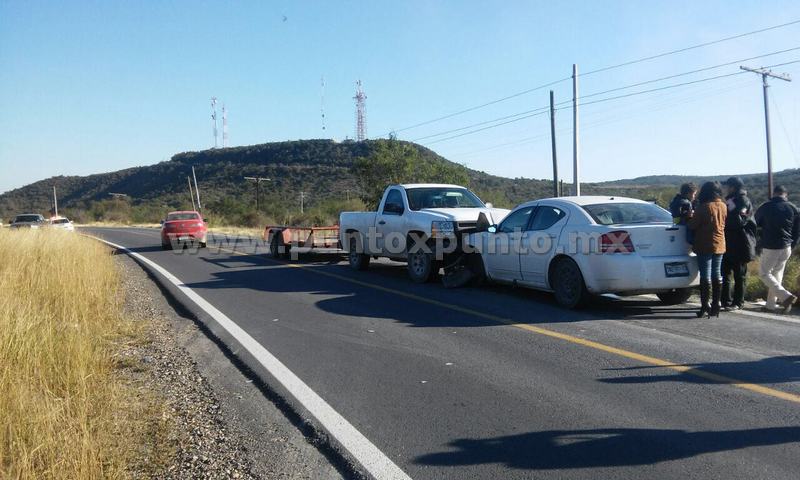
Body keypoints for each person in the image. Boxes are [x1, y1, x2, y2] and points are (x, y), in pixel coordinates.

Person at [755, 185, 800, 313]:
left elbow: (756, 223)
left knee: (764, 274)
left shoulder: (765, 207)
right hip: (787, 246)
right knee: (777, 274)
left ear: (774, 193)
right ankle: (770, 305)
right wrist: (792, 245)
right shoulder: (793, 208)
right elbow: (797, 230)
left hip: (770, 246)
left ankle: (786, 296)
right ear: (785, 195)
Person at [688, 181, 727, 318]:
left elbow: (692, 225)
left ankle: (705, 305)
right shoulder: (723, 206)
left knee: (705, 275)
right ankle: (717, 304)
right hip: (720, 243)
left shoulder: (703, 207)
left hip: (704, 244)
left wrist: (689, 216)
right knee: (717, 274)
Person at [721, 177, 756, 311]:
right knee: (725, 274)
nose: (725, 189)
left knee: (739, 275)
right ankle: (725, 301)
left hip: (741, 243)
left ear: (733, 187)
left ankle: (738, 302)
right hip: (728, 243)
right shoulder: (731, 200)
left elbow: (739, 222)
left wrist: (730, 207)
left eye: (727, 186)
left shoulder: (743, 201)